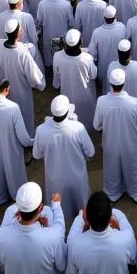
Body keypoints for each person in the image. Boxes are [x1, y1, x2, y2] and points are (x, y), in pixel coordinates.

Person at [32, 94, 95, 224]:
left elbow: (36, 155)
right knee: (83, 213)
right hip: (77, 178)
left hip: (55, 180)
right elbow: (91, 152)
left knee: (59, 215)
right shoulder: (78, 128)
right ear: (68, 112)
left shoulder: (41, 130)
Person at [0, 182, 67, 274]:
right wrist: (57, 206)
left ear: (18, 210)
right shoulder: (53, 238)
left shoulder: (0, 237)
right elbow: (62, 266)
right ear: (40, 208)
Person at [65, 190, 137, 274]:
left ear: (88, 219)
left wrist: (80, 216)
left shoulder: (74, 244)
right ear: (110, 218)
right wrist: (112, 212)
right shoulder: (127, 239)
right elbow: (133, 260)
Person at [94, 67, 137, 203]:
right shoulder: (135, 102)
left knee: (112, 168)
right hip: (131, 143)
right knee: (132, 167)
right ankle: (135, 193)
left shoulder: (101, 101)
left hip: (110, 143)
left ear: (110, 84)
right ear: (124, 83)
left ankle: (113, 193)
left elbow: (97, 125)